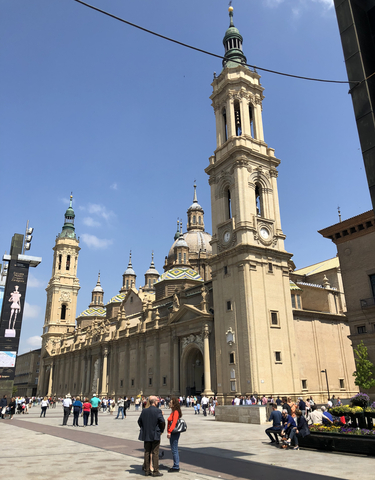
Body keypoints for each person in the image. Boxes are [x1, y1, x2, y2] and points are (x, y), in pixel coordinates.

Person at [138, 395, 165, 477]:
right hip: (155, 435)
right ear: (155, 402)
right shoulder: (158, 411)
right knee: (155, 453)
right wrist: (161, 430)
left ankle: (147, 471)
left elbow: (139, 421)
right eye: (157, 401)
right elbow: (162, 422)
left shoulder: (144, 411)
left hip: (146, 434)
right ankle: (156, 471)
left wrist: (144, 428)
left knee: (147, 452)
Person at [167, 397, 182, 473]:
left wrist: (169, 431)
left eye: (170, 402)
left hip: (174, 433)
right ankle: (175, 465)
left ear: (173, 404)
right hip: (172, 432)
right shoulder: (173, 411)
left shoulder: (175, 412)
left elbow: (174, 423)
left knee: (174, 449)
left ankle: (176, 466)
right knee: (174, 449)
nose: (169, 403)